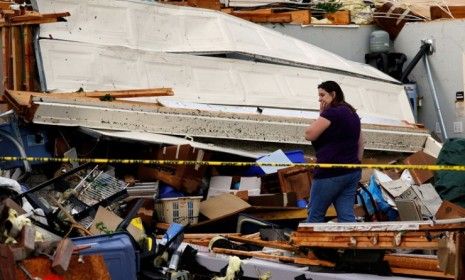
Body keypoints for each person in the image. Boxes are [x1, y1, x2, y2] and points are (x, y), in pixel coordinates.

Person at [304, 81, 363, 223]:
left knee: (315, 215)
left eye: (322, 95)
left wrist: (322, 114)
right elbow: (361, 142)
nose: (319, 99)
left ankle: (312, 245)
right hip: (351, 172)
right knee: (346, 216)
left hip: (329, 174)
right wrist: (357, 164)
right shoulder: (352, 113)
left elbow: (309, 134)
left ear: (333, 94)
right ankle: (352, 244)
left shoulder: (331, 113)